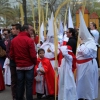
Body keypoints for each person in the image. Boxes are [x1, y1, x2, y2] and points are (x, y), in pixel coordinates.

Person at [10, 24, 37, 100]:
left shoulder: (14, 40)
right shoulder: (29, 40)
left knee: (20, 84)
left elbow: (11, 54)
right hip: (29, 65)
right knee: (29, 85)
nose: (32, 31)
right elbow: (33, 55)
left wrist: (17, 61)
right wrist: (34, 62)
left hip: (19, 66)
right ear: (26, 30)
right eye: (30, 30)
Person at [76, 11, 98, 100]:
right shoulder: (83, 42)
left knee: (88, 84)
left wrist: (81, 45)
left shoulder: (91, 42)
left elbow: (86, 53)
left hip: (88, 66)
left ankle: (89, 97)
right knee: (81, 84)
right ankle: (81, 96)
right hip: (81, 66)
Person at [10, 23, 22, 100]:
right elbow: (8, 52)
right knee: (14, 81)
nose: (12, 30)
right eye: (12, 29)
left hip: (21, 64)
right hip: (14, 63)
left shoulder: (21, 38)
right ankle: (15, 97)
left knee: (20, 81)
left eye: (14, 29)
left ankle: (20, 96)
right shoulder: (10, 39)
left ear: (18, 30)